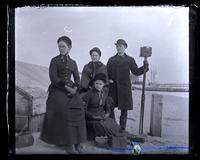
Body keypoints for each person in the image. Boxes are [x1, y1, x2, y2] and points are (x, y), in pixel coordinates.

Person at [40, 36, 86, 154]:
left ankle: (78, 142)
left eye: (63, 46)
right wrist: (67, 88)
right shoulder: (54, 60)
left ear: (69, 47)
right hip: (57, 89)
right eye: (59, 46)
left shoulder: (73, 62)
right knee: (64, 109)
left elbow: (77, 78)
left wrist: (75, 88)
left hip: (71, 90)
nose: (61, 48)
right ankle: (68, 143)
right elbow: (53, 78)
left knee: (79, 108)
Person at [107, 39, 149, 131]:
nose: (118, 48)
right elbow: (107, 73)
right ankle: (113, 126)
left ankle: (122, 129)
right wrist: (108, 79)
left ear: (125, 47)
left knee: (124, 110)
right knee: (109, 107)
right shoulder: (111, 60)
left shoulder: (130, 60)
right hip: (113, 88)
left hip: (125, 89)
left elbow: (136, 71)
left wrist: (144, 67)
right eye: (117, 46)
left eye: (120, 46)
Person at [82, 73, 135, 142]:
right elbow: (83, 109)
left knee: (112, 123)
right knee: (105, 127)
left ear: (103, 85)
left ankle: (127, 135)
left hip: (102, 116)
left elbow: (107, 107)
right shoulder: (89, 94)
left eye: (100, 84)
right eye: (96, 83)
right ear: (94, 83)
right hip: (92, 119)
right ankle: (121, 137)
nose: (98, 86)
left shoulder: (104, 93)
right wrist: (92, 116)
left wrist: (107, 113)